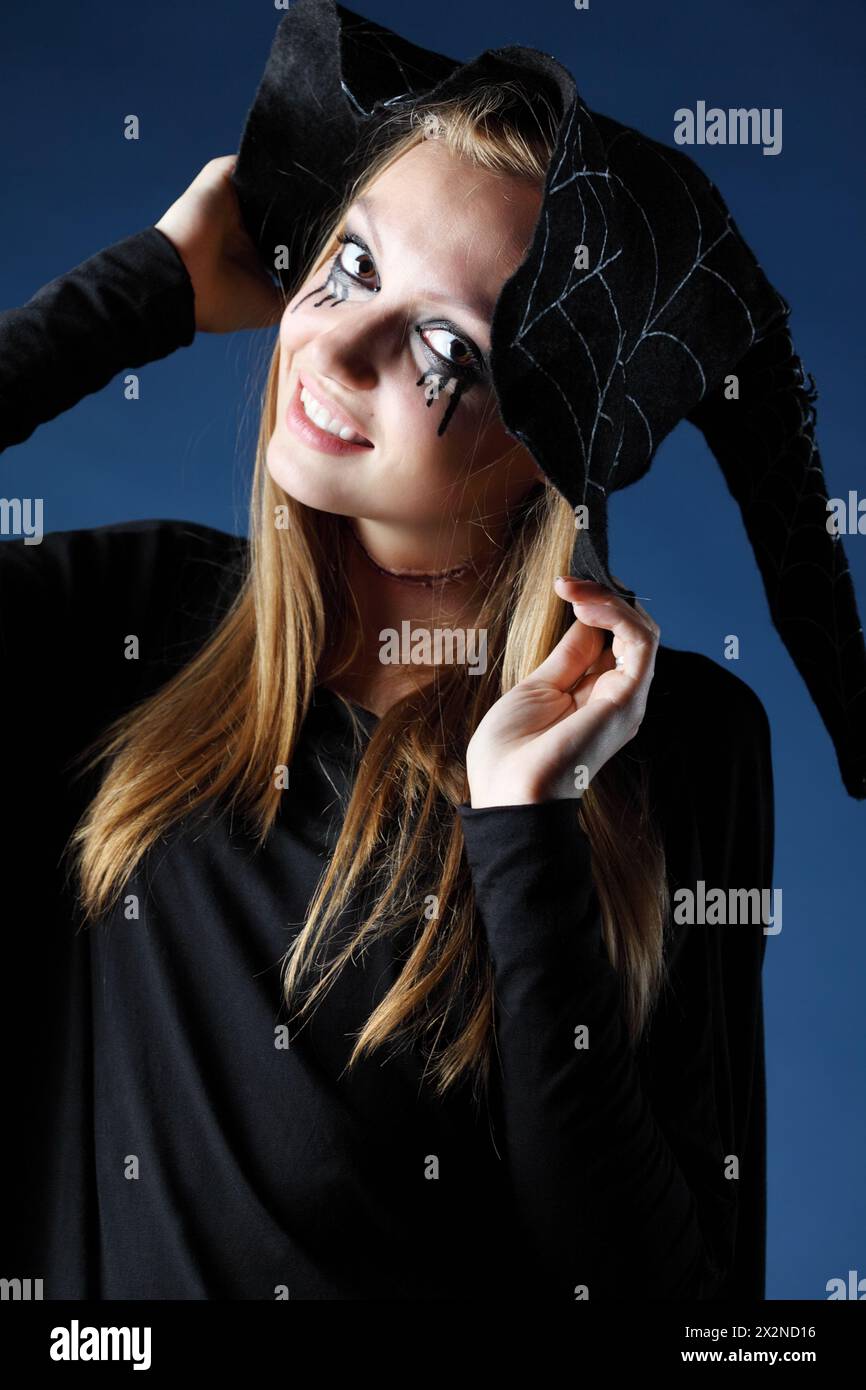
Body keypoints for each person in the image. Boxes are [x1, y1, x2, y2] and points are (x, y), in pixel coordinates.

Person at [0, 81, 771, 1300]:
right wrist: (137, 291)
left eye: (444, 348)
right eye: (351, 263)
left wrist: (524, 828)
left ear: (554, 446)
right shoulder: (129, 620)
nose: (335, 344)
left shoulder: (675, 744)